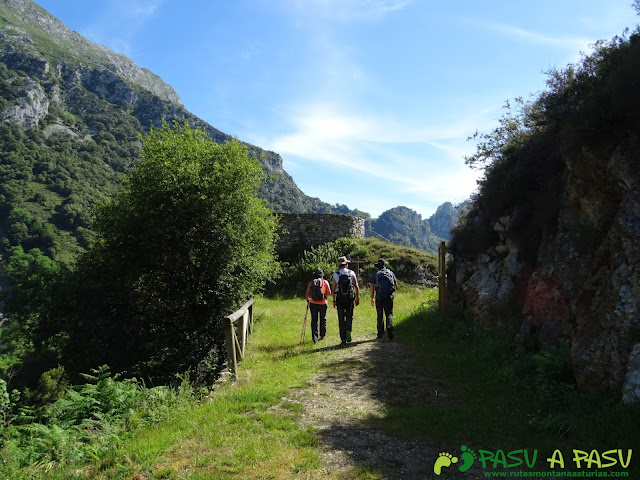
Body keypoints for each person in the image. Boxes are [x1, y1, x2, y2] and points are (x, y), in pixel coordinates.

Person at [332, 256, 360, 344]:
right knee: (349, 316)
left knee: (341, 318)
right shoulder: (352, 273)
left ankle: (343, 339)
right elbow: (356, 286)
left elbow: (333, 289)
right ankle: (348, 329)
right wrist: (357, 298)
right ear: (346, 264)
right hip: (349, 298)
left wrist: (334, 301)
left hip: (340, 299)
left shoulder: (336, 275)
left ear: (339, 265)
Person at [369, 258, 398, 340]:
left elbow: (372, 286)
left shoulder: (376, 273)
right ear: (385, 264)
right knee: (389, 313)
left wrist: (372, 298)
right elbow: (396, 284)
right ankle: (389, 327)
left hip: (379, 297)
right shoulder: (390, 272)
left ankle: (380, 334)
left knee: (380, 315)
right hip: (389, 297)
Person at [304, 268, 332, 343]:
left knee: (314, 320)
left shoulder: (311, 282)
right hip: (323, 303)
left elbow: (307, 293)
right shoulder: (325, 282)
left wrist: (308, 299)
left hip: (313, 303)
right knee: (323, 318)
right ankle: (322, 335)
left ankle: (315, 338)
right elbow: (329, 292)